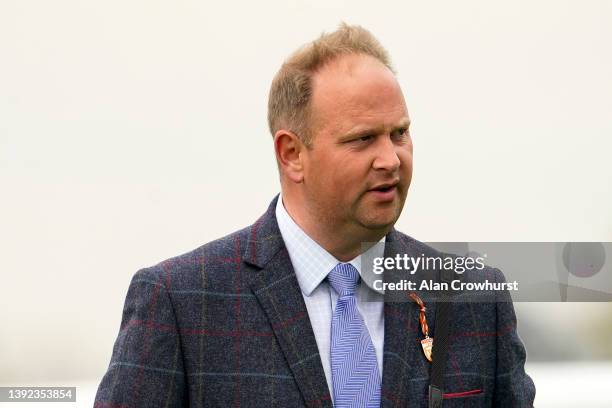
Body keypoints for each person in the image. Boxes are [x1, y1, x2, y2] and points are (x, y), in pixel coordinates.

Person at [95, 24, 535, 407]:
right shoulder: (182, 302)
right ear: (292, 155)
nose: (390, 159)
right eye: (362, 139)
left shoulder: (471, 298)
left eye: (399, 133)